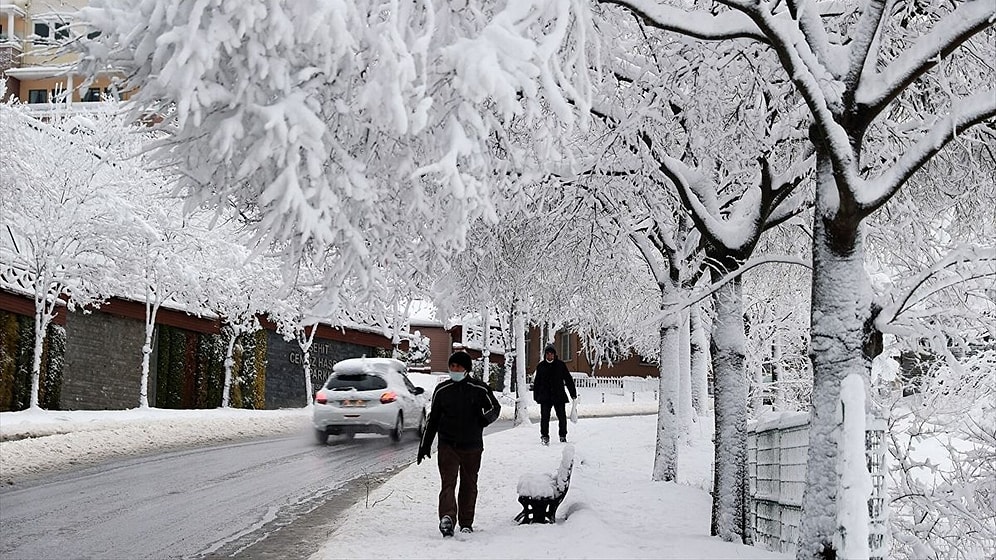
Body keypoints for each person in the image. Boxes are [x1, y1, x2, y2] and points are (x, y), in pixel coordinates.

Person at [417, 351, 500, 537]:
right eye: (452, 366)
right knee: (448, 483)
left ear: (466, 369)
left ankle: (466, 522)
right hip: (448, 445)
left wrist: (483, 420)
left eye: (458, 367)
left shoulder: (479, 389)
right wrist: (425, 445)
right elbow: (433, 419)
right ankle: (447, 518)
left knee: (469, 485)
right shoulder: (442, 390)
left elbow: (495, 408)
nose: (455, 370)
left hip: (472, 446)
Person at [532, 344, 577, 445]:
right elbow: (537, 382)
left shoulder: (560, 365)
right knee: (544, 418)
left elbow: (568, 380)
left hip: (559, 396)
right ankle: (544, 436)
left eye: (551, 354)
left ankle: (562, 436)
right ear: (545, 355)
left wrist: (573, 393)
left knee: (562, 417)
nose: (550, 356)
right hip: (545, 397)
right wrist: (536, 396)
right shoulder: (541, 366)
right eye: (548, 354)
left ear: (554, 355)